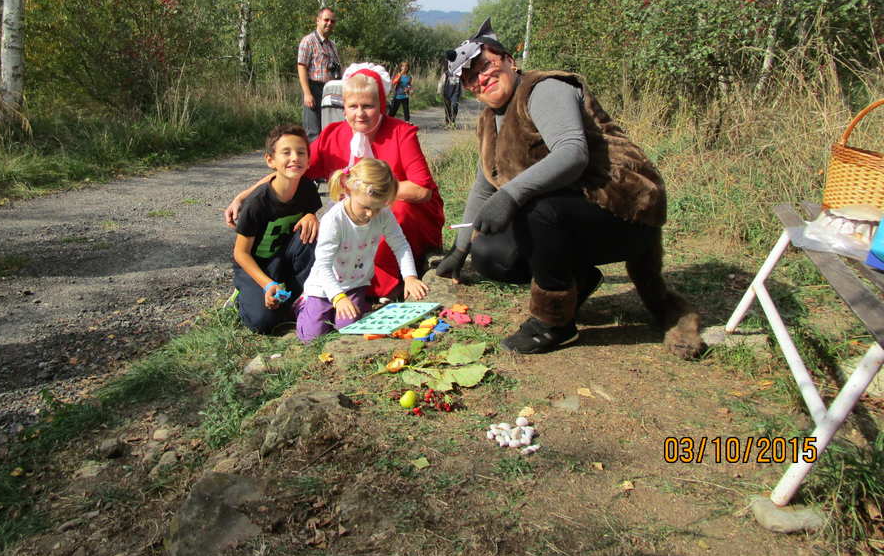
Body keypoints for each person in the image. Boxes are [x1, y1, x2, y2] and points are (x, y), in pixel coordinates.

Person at [435, 18, 703, 359]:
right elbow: (484, 186)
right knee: (490, 255)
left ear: (508, 60)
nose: (481, 78)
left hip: (623, 211)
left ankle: (554, 321)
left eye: (485, 65)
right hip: (570, 216)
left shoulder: (544, 89)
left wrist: (511, 195)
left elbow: (572, 153)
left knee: (535, 207)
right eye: (471, 78)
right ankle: (579, 278)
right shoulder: (490, 120)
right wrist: (460, 252)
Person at [226, 62, 444, 300]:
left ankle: (384, 285)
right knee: (332, 222)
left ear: (381, 105)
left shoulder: (401, 132)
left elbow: (423, 190)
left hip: (402, 212)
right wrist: (244, 195)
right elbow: (292, 169)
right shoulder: (333, 135)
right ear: (344, 108)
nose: (360, 113)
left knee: (394, 211)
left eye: (368, 106)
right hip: (354, 211)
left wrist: (370, 192)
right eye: (353, 106)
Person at [295, 158, 428, 342]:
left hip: (355, 284)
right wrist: (338, 297)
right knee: (311, 337)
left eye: (378, 207)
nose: (371, 214)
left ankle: (351, 308)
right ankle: (303, 305)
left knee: (348, 328)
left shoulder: (382, 214)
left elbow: (400, 244)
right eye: (366, 207)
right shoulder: (334, 221)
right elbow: (323, 265)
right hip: (324, 287)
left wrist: (410, 277)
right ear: (349, 190)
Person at [232, 123, 321, 334]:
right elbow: (240, 253)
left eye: (301, 153)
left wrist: (312, 216)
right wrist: (266, 284)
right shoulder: (257, 203)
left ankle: (301, 293)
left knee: (313, 234)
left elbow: (307, 236)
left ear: (308, 160)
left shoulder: (308, 188)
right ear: (270, 160)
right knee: (266, 323)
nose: (295, 158)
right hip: (257, 267)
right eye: (286, 152)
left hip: (286, 260)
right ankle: (243, 298)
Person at [297, 7, 342, 142]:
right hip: (314, 89)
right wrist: (307, 93)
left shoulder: (332, 45)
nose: (329, 23)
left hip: (330, 91)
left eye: (332, 21)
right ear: (318, 21)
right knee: (313, 133)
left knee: (329, 131)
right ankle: (313, 162)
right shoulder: (308, 41)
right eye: (326, 20)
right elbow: (301, 66)